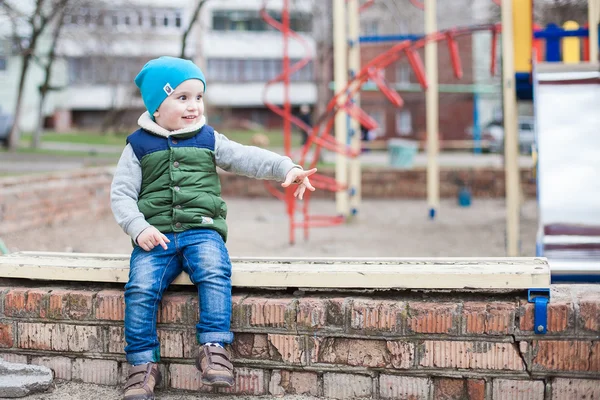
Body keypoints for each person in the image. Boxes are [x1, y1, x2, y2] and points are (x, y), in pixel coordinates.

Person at [110, 56, 316, 400]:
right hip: (155, 235)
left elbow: (246, 157)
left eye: (198, 97)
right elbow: (121, 194)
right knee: (141, 288)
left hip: (201, 230)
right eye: (182, 97)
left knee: (214, 269)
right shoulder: (138, 146)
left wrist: (285, 168)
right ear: (157, 106)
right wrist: (138, 227)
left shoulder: (208, 138)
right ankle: (142, 365)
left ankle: (213, 347)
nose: (193, 106)